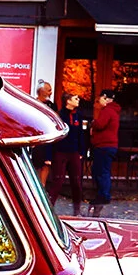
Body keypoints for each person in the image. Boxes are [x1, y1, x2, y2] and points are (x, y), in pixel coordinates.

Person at [49, 91, 91, 216]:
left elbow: (81, 135)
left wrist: (81, 151)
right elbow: (54, 135)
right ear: (68, 101)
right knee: (58, 181)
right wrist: (49, 155)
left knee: (77, 182)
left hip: (74, 153)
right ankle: (49, 209)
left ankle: (77, 210)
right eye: (75, 98)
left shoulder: (78, 115)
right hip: (60, 152)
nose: (78, 100)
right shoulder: (59, 115)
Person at [88, 89, 120, 217]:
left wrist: (93, 124)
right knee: (102, 170)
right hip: (108, 146)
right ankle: (102, 194)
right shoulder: (114, 111)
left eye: (99, 98)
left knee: (101, 171)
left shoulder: (107, 111)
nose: (98, 101)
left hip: (104, 146)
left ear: (106, 98)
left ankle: (103, 196)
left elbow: (100, 124)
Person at [30, 81, 55, 187]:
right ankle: (34, 186)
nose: (51, 92)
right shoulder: (33, 103)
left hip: (49, 137)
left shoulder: (52, 105)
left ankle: (43, 186)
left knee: (46, 163)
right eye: (49, 90)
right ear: (41, 91)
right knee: (36, 164)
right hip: (37, 137)